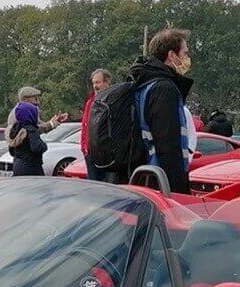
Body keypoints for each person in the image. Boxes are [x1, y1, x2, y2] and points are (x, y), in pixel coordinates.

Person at [130, 28, 196, 194]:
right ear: (171, 55)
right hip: (162, 179)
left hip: (147, 173)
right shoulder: (164, 88)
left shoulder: (145, 83)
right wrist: (177, 190)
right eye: (185, 53)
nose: (187, 58)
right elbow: (168, 144)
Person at [81, 69, 115, 181]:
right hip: (90, 153)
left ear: (107, 82)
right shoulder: (90, 102)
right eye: (94, 83)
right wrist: (84, 147)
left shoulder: (113, 101)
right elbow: (85, 126)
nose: (95, 86)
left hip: (106, 154)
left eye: (98, 82)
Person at [8, 100, 49, 176]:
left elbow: (12, 151)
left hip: (17, 167)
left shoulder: (14, 129)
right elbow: (37, 148)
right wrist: (44, 146)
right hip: (31, 168)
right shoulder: (31, 130)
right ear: (31, 115)